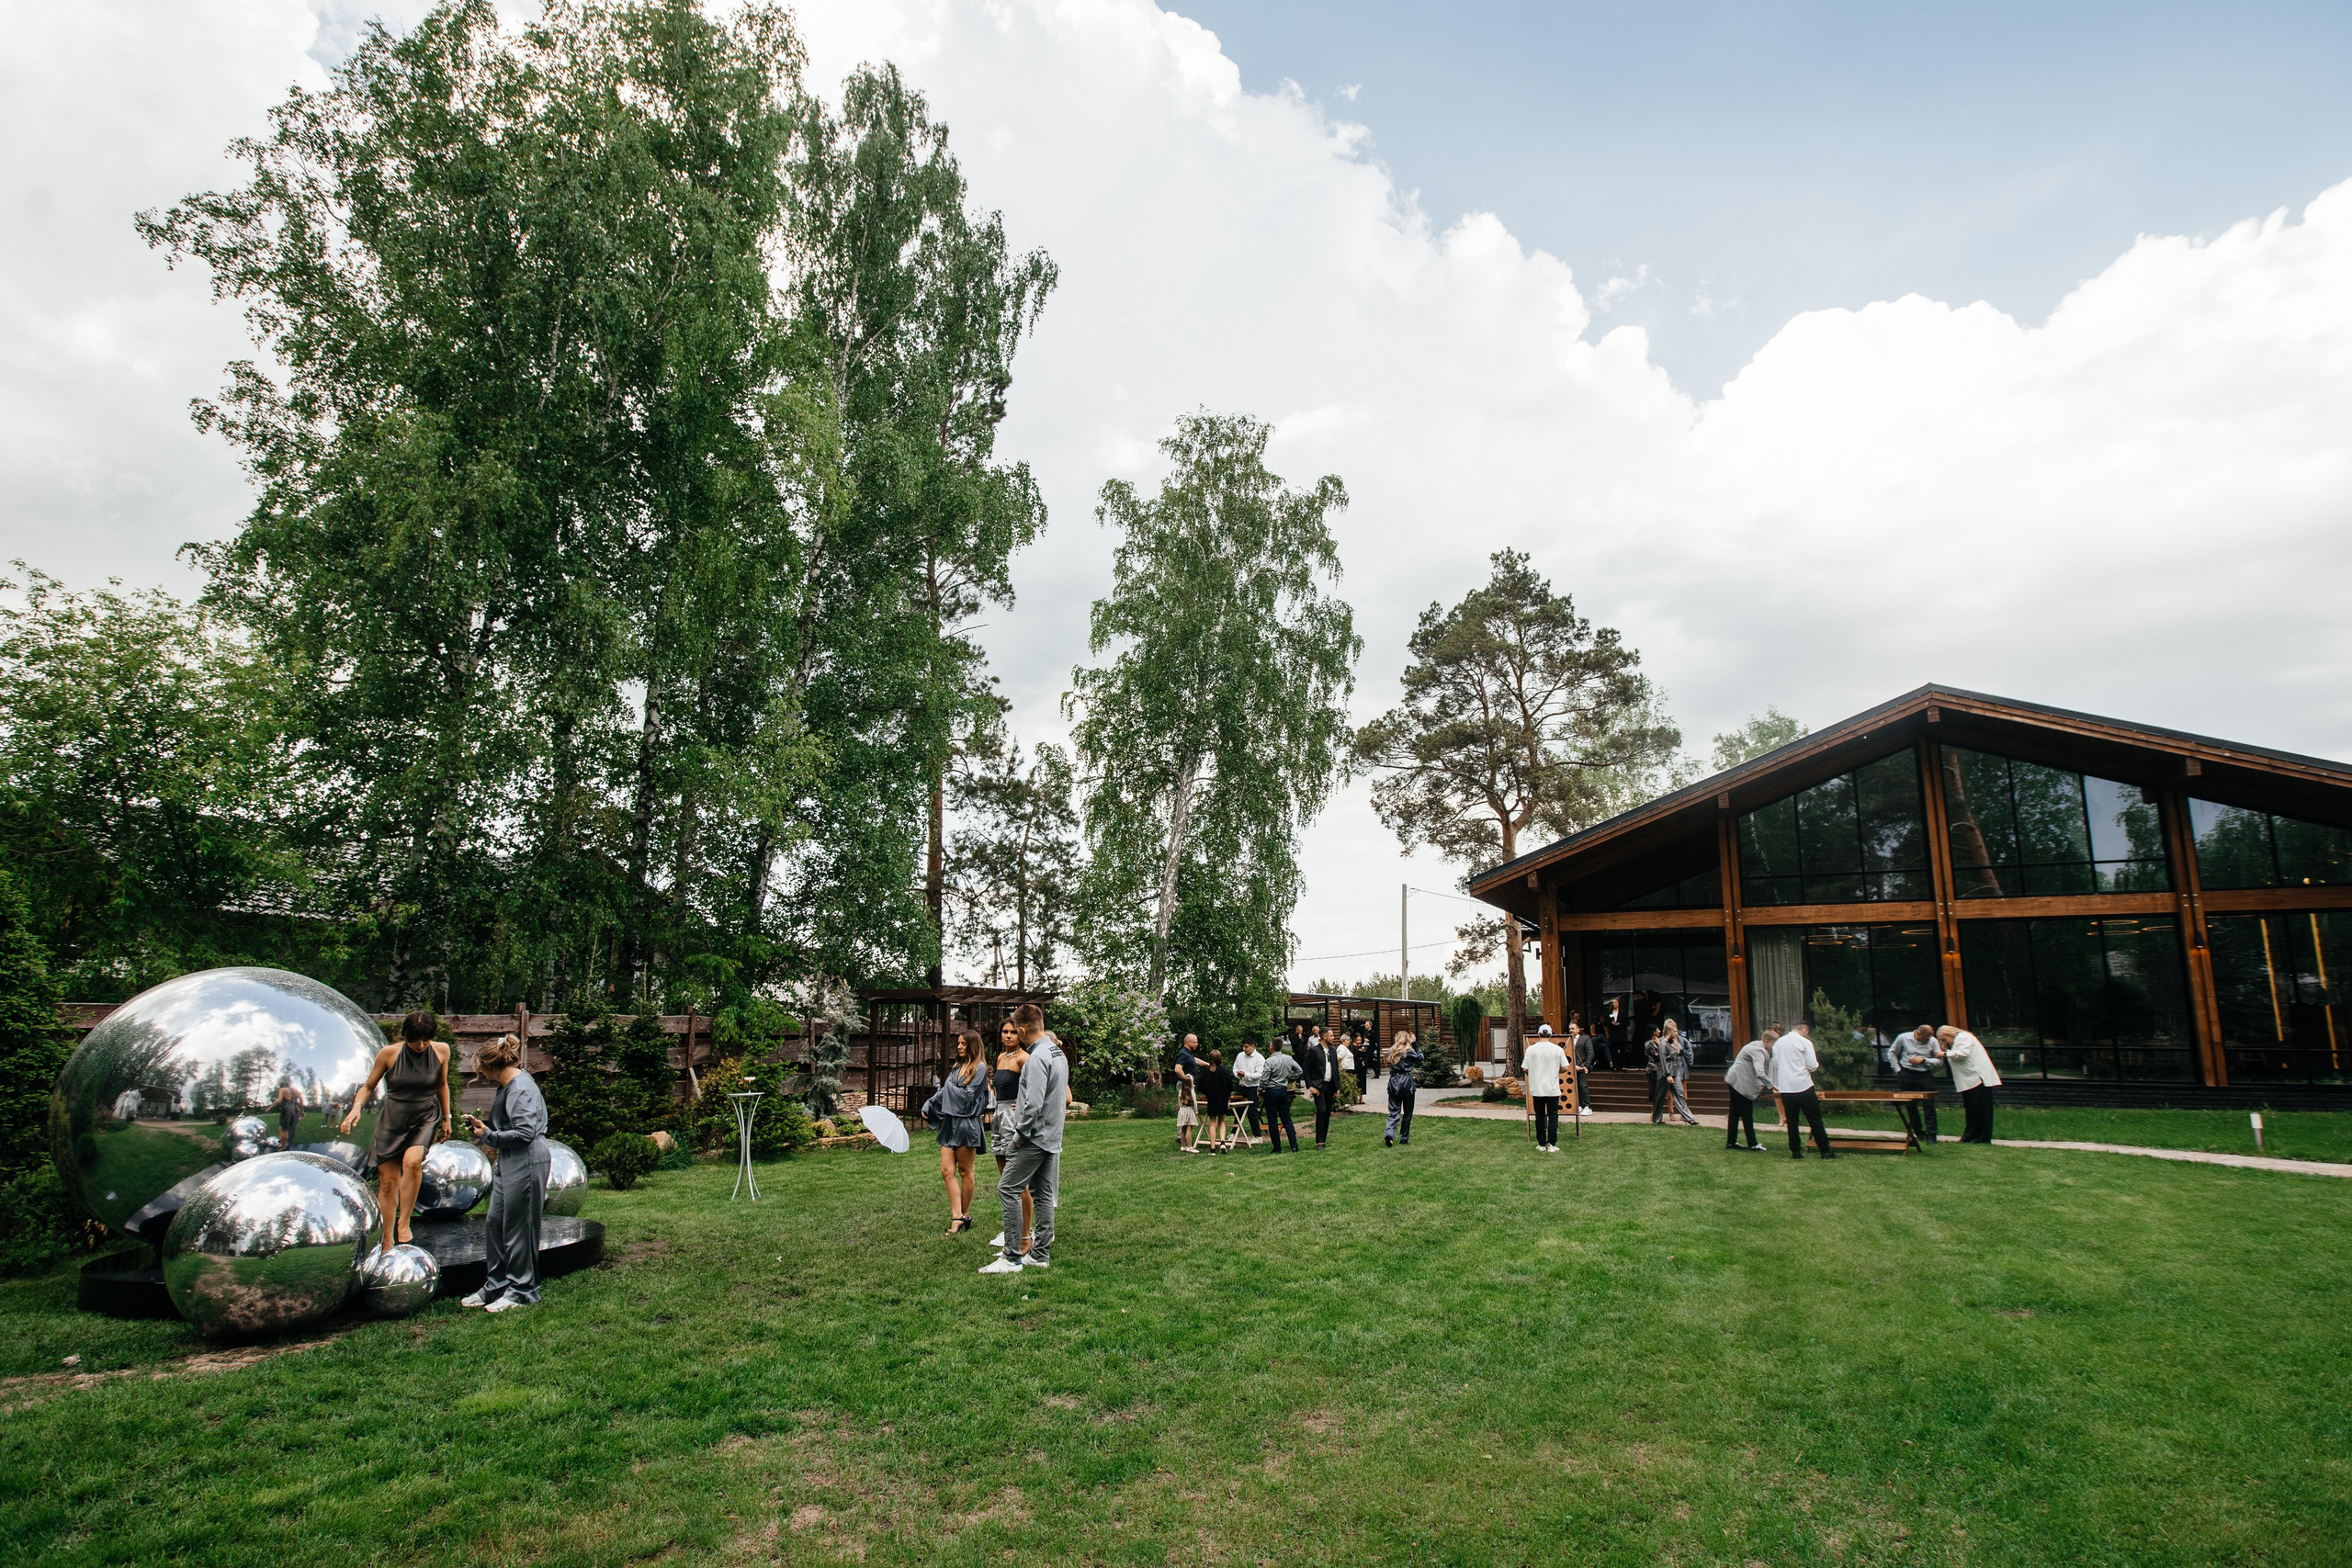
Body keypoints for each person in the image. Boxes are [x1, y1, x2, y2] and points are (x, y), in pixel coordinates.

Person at [342, 1010, 451, 1249]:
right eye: (415, 1040)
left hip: (425, 1115)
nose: (421, 1045)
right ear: (405, 1036)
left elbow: (442, 1084)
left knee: (412, 1162)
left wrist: (447, 1116)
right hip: (393, 1119)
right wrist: (356, 1108)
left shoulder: (441, 1050)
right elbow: (368, 1086)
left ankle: (404, 1223)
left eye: (426, 1039)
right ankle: (387, 1239)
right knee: (388, 1182)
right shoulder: (389, 1054)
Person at [460, 1032, 548, 1312]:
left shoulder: (521, 1088)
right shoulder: (507, 1085)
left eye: (480, 1069)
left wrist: (488, 1136)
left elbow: (524, 1133)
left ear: (490, 1066)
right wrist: (487, 1131)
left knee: (519, 1228)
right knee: (495, 1222)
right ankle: (496, 1285)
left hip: (527, 1159)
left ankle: (522, 1290)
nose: (480, 1074)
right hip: (510, 1160)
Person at [981, 1005, 1068, 1273]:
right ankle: (1039, 1255)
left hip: (1033, 1138)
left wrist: (1018, 1138)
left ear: (1021, 1030)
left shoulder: (1038, 1057)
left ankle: (1011, 1257)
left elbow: (1033, 1104)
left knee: (1007, 1189)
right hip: (1052, 1136)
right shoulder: (1057, 1052)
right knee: (1043, 1194)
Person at [922, 1028, 990, 1235]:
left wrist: (948, 1089)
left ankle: (964, 1214)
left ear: (972, 1045)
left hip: (966, 1125)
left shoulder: (980, 1069)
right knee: (946, 1170)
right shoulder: (956, 1067)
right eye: (958, 1044)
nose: (959, 1047)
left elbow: (967, 1098)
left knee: (965, 1171)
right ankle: (956, 1215)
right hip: (949, 1124)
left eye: (963, 1044)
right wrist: (930, 1104)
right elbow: (945, 1092)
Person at [988, 1020, 1034, 1256]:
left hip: (1014, 1120)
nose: (1008, 1036)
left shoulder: (1024, 1058)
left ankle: (1026, 1235)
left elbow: (1035, 1086)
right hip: (998, 1117)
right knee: (1004, 1178)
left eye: (1013, 1032)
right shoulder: (1000, 1058)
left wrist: (1023, 1106)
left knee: (1018, 1182)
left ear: (1020, 1034)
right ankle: (1011, 1231)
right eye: (1005, 1031)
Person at [1769, 1021, 1836, 1159]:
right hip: (1803, 1085)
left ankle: (1795, 1151)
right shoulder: (1805, 1043)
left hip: (1786, 1087)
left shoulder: (1779, 1043)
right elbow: (1812, 1065)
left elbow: (1775, 1063)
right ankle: (1825, 1150)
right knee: (1815, 1119)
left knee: (1792, 1120)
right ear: (1804, 1030)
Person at [1936, 1024, 2002, 1143]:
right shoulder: (1958, 1040)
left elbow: (1963, 1053)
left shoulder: (1963, 1037)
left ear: (1948, 1034)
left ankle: (1980, 1137)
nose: (1944, 1042)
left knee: (1980, 1110)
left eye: (1944, 1039)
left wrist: (1945, 1054)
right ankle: (1970, 1136)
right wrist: (1947, 1050)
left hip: (1977, 1079)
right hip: (1969, 1080)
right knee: (1971, 1110)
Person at [1887, 1024, 1943, 1144]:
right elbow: (1891, 1052)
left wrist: (1924, 1060)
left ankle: (1931, 1135)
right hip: (1906, 1073)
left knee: (1929, 1105)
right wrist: (1898, 1070)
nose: (1928, 1041)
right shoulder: (1903, 1038)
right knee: (1910, 1105)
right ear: (1918, 1034)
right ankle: (1919, 1133)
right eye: (1925, 1039)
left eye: (1929, 1038)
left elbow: (1939, 1061)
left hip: (1924, 1074)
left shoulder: (1933, 1041)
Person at [1724, 1026, 1775, 1152]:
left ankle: (1731, 1142)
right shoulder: (1758, 1050)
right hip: (1739, 1083)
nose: (1773, 1048)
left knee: (1735, 1113)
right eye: (1774, 1044)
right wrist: (1773, 1086)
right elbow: (1760, 1072)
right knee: (1746, 1114)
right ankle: (1753, 1144)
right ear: (1767, 1040)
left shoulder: (1755, 1046)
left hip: (1734, 1080)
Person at [1521, 1023, 1567, 1153]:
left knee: (1540, 1116)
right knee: (1553, 1116)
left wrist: (1533, 1074)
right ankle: (1552, 1144)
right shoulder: (1557, 1050)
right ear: (1551, 1035)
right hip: (1552, 1088)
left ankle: (1541, 1144)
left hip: (1537, 1088)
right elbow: (1566, 1067)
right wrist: (1556, 1071)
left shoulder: (1531, 1049)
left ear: (1539, 1035)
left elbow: (1525, 1068)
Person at [1302, 1025, 1342, 1149]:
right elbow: (1306, 1069)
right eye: (1331, 1035)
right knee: (1322, 1111)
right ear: (1325, 1036)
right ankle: (1319, 1141)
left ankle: (1323, 1140)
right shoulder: (1314, 1051)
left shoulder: (1333, 1050)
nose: (1333, 1037)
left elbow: (1335, 1070)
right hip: (1319, 1086)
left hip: (1330, 1085)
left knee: (1327, 1112)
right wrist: (1310, 1086)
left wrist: (1337, 1087)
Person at [1261, 1036, 1303, 1153]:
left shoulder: (1269, 1061)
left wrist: (1260, 1089)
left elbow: (1264, 1078)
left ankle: (1277, 1147)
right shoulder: (1288, 1058)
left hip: (1271, 1091)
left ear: (1272, 1047)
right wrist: (1289, 1079)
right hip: (1283, 1090)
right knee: (1287, 1119)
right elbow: (1299, 1070)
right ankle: (1294, 1146)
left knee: (1272, 1120)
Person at [1384, 1030, 1423, 1146]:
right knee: (1408, 1112)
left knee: (1393, 1111)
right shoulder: (1409, 1052)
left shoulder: (1391, 1051)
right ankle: (1404, 1138)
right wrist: (1415, 1043)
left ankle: (1389, 1134)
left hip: (1394, 1080)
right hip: (1406, 1082)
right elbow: (1420, 1057)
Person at [1661, 1017, 1701, 1125]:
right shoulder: (1663, 1042)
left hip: (1680, 1066)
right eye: (1674, 1030)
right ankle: (1669, 1112)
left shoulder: (1683, 1041)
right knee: (1666, 1091)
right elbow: (1662, 1056)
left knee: (1682, 1089)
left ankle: (1686, 1115)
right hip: (1668, 1068)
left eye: (1676, 1030)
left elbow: (1689, 1051)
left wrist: (1682, 1052)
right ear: (1668, 1031)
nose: (1676, 1032)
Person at [1234, 1038, 1266, 1146]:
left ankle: (1257, 1136)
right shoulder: (1240, 1056)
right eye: (1243, 1047)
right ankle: (1234, 1133)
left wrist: (1246, 1075)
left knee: (1252, 1112)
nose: (1244, 1049)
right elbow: (1234, 1068)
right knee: (1237, 1111)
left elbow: (1260, 1074)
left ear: (1253, 1046)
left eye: (1246, 1047)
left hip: (1253, 1087)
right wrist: (1238, 1074)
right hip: (1242, 1086)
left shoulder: (1259, 1058)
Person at [1201, 1047, 1235, 1152]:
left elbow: (1201, 1086)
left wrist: (1207, 1093)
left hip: (1212, 1100)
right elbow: (1230, 1085)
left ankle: (1212, 1148)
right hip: (1223, 1099)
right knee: (1222, 1121)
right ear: (1220, 1058)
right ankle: (1223, 1142)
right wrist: (1227, 1095)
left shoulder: (1207, 1071)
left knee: (1212, 1122)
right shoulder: (1225, 1070)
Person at [1174, 1032, 1202, 1154]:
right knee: (1187, 1115)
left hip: (1187, 1085)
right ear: (1188, 1042)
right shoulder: (1183, 1054)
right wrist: (1187, 1081)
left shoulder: (1188, 1054)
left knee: (1183, 1113)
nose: (1197, 1043)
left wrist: (1208, 1064)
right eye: (1195, 1042)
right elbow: (1177, 1069)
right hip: (1185, 1086)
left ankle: (1182, 1139)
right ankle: (1183, 1140)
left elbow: (1194, 1060)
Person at [1644, 1026, 1669, 1123]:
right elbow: (1658, 1056)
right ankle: (1654, 1114)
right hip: (1653, 1069)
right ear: (1654, 1032)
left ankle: (1657, 1114)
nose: (1660, 1031)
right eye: (1658, 1029)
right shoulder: (1650, 1043)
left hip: (1659, 1069)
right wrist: (1660, 1046)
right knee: (1654, 1091)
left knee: (1658, 1092)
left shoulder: (1659, 1042)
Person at [272, 1080, 304, 1150]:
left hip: (287, 1109)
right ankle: (288, 1143)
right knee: (292, 1127)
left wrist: (270, 1107)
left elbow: (279, 1100)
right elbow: (301, 1100)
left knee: (283, 1127)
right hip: (296, 1109)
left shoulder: (282, 1090)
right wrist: (302, 1111)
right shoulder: (295, 1090)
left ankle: (284, 1144)